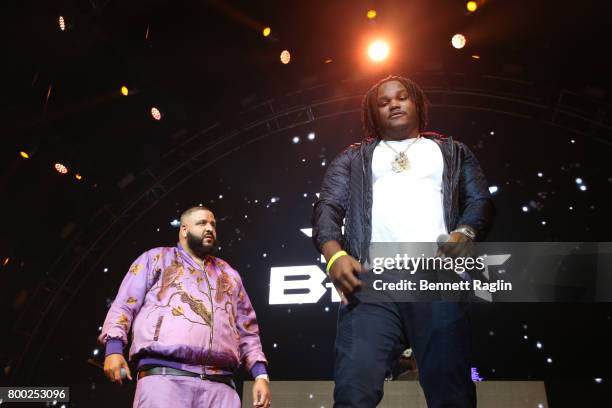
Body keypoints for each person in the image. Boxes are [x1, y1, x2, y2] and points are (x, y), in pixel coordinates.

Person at [312, 75, 495, 407]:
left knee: (452, 394)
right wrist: (334, 255)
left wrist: (466, 232)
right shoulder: (353, 158)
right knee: (354, 392)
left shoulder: (452, 151)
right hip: (370, 283)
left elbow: (479, 201)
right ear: (373, 112)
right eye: (383, 102)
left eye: (401, 98)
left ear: (417, 104)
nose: (393, 104)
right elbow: (328, 206)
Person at [98, 206, 270, 408]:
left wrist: (261, 375)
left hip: (222, 387)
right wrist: (113, 349)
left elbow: (248, 329)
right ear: (184, 229)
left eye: (213, 224)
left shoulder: (229, 274)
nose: (209, 228)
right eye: (202, 223)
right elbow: (124, 305)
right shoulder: (155, 258)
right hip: (165, 379)